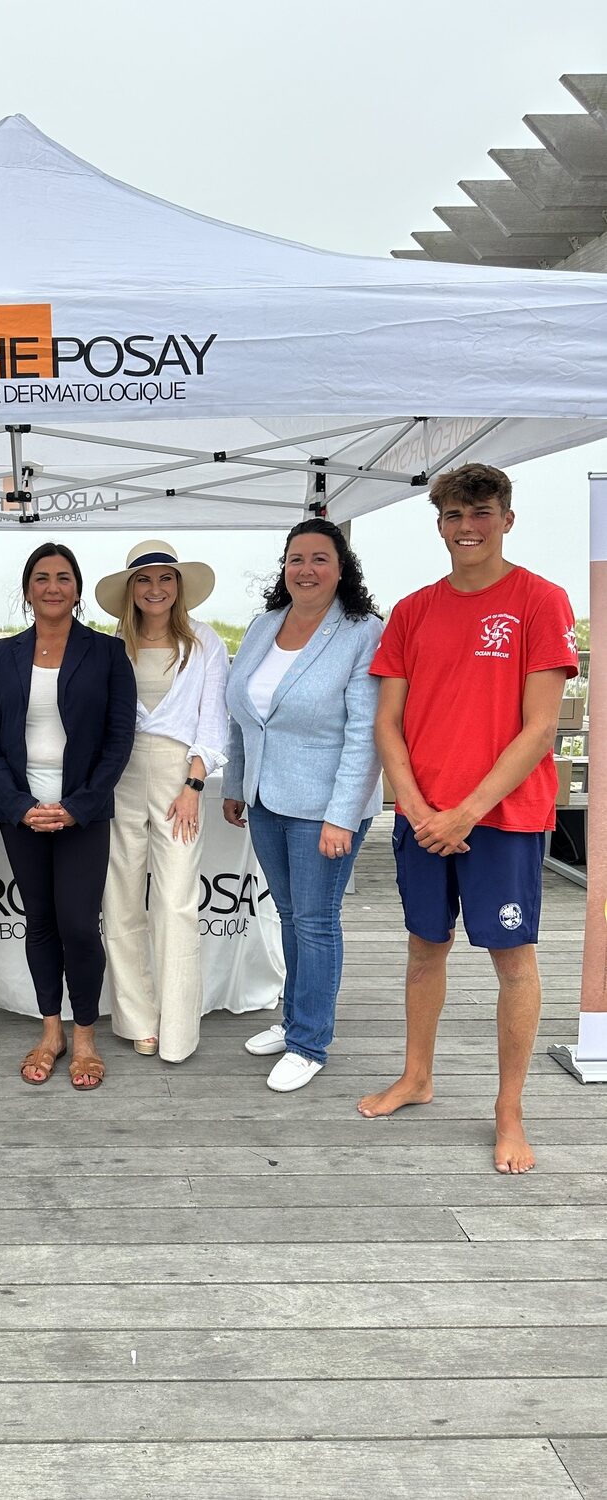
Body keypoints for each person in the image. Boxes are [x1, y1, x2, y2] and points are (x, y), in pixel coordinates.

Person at [357, 464, 578, 1174]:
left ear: (506, 518)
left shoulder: (539, 600)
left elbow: (539, 729)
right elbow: (386, 724)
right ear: (439, 525)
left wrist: (466, 813)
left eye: (479, 512)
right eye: (452, 514)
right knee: (425, 949)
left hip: (501, 820)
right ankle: (416, 1077)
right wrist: (419, 809)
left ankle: (507, 1110)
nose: (466, 526)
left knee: (512, 964)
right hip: (424, 820)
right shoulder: (412, 610)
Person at [222, 519, 383, 1092]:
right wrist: (235, 783)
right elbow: (243, 712)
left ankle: (310, 1041)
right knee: (289, 915)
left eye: (319, 559)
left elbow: (367, 731)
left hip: (326, 807)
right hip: (267, 798)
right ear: (283, 567)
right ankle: (293, 1019)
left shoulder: (363, 631)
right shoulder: (266, 625)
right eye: (295, 559)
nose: (306, 570)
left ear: (342, 568)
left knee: (315, 921)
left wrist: (344, 813)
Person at [0, 542, 136, 1090]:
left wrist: (78, 806)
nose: (52, 586)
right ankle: (51, 1031)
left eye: (63, 577)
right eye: (41, 577)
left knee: (77, 927)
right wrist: (19, 806)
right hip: (22, 814)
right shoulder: (0, 656)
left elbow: (119, 740)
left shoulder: (107, 654)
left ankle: (85, 1033)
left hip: (82, 814)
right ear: (27, 590)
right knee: (39, 923)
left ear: (77, 588)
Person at [95, 540, 228, 1062]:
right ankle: (136, 1019)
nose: (156, 589)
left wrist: (194, 786)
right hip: (120, 774)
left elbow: (214, 721)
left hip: (180, 777)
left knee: (174, 901)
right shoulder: (114, 645)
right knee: (120, 898)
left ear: (179, 586)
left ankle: (177, 1027)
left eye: (165, 579)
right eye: (145, 580)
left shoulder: (205, 643)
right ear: (131, 590)